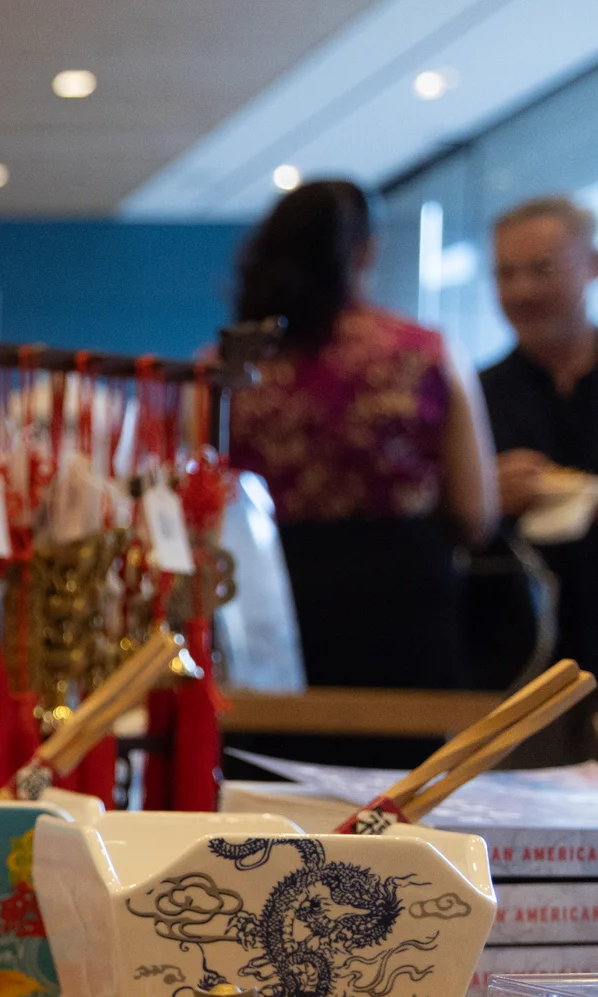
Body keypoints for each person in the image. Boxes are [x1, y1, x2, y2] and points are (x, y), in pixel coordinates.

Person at [230, 180, 499, 690]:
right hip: (402, 602)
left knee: (268, 758)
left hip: (269, 601)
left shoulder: (230, 369)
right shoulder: (425, 353)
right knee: (404, 763)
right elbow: (474, 513)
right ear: (367, 250)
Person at [480, 195, 598, 666]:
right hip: (517, 664)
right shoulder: (474, 400)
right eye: (506, 274)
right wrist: (485, 496)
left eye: (541, 270)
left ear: (591, 266)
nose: (522, 291)